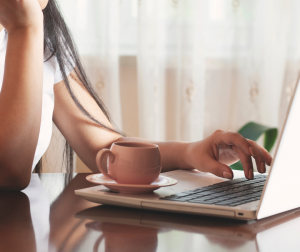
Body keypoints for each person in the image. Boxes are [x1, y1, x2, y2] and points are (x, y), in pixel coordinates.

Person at [0, 0, 272, 191]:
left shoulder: (42, 39)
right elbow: (8, 172)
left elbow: (108, 146)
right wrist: (26, 28)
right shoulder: (28, 28)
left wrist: (190, 152)